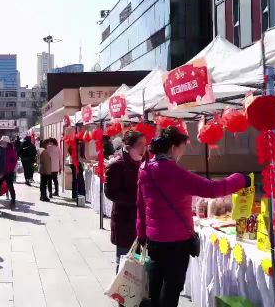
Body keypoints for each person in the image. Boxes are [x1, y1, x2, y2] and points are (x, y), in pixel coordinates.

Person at [137, 127, 250, 307]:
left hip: (154, 239)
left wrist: (142, 235)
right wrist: (240, 179)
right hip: (177, 242)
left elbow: (141, 206)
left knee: (155, 286)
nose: (182, 152)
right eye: (182, 147)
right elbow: (212, 189)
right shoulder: (176, 172)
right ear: (173, 147)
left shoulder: (145, 169)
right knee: (171, 288)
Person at [105, 130, 146, 273]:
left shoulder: (141, 163)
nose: (143, 148)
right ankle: (121, 293)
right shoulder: (116, 165)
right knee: (124, 261)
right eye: (140, 144)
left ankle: (136, 292)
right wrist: (137, 200)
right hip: (124, 222)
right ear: (129, 146)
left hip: (140, 222)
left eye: (144, 145)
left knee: (139, 261)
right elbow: (110, 192)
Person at [0, 135, 18, 208]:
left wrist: (10, 168)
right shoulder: (0, 149)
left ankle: (13, 200)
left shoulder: (11, 150)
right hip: (1, 171)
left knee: (10, 186)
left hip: (8, 172)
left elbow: (14, 161)